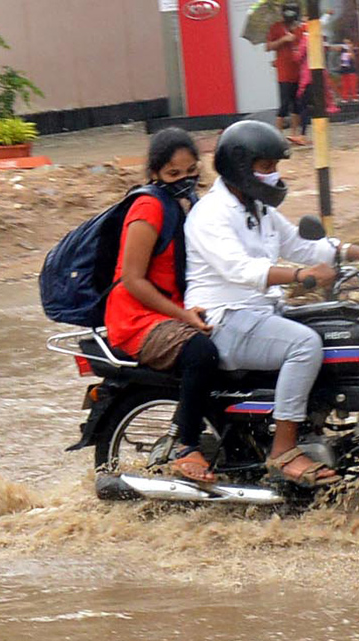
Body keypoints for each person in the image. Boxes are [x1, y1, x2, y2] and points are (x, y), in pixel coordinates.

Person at [183, 121, 359, 489]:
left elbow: (301, 245)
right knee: (304, 345)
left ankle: (318, 429)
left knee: (336, 325)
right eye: (266, 168)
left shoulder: (259, 209)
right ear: (241, 167)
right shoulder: (210, 214)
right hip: (225, 320)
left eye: (275, 167)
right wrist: (300, 275)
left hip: (263, 313)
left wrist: (355, 252)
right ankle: (284, 450)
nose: (274, 176)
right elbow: (241, 270)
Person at [104, 128, 220, 484]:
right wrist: (183, 315)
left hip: (174, 310)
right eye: (173, 174)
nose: (184, 180)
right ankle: (186, 447)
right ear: (155, 174)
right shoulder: (149, 207)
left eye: (190, 172)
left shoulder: (192, 206)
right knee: (201, 352)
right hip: (138, 316)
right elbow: (133, 280)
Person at [266, 1, 306, 144]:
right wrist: (284, 39)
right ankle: (278, 136)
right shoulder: (276, 28)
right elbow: (268, 46)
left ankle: (294, 134)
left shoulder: (301, 28)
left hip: (299, 72)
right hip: (283, 73)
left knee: (297, 104)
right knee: (283, 104)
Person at [338, 38, 359, 103]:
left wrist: (350, 49)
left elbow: (353, 58)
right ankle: (345, 97)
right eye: (345, 43)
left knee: (353, 84)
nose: (346, 45)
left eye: (348, 43)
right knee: (345, 84)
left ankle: (354, 96)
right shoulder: (342, 51)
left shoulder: (352, 50)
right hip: (344, 69)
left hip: (351, 69)